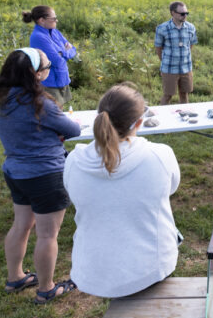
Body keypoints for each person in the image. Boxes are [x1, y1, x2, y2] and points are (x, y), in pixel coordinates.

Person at [64, 83, 181, 298]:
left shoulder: (73, 161)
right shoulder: (160, 155)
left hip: (92, 268)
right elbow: (172, 188)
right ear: (138, 123)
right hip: (151, 265)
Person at [0, 48, 80, 304]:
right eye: (46, 67)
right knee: (47, 234)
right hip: (46, 174)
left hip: (16, 171)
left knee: (21, 225)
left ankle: (16, 277)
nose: (48, 70)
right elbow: (73, 129)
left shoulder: (2, 99)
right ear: (34, 73)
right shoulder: (40, 103)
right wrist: (52, 132)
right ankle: (47, 289)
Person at [23, 5, 77, 107]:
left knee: (59, 113)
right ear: (41, 20)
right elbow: (57, 61)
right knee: (52, 116)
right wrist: (66, 52)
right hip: (50, 83)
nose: (56, 21)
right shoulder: (38, 37)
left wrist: (63, 53)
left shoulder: (54, 32)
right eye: (53, 18)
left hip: (62, 79)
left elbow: (73, 49)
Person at [155, 1, 198, 105]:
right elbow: (158, 47)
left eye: (186, 13)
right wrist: (164, 61)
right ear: (173, 13)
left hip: (186, 68)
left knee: (184, 94)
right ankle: (162, 118)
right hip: (169, 68)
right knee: (168, 95)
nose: (185, 16)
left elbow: (191, 44)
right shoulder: (162, 28)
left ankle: (184, 117)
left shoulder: (191, 27)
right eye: (182, 13)